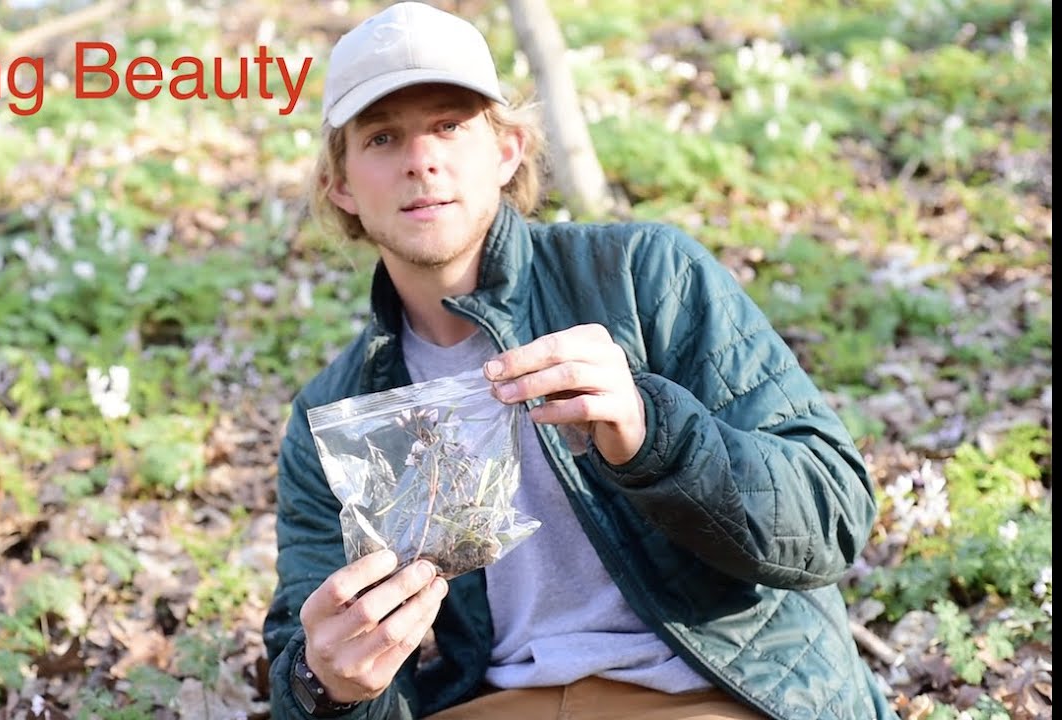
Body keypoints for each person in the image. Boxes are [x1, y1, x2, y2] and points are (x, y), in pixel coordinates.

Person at [263, 3, 898, 718]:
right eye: (382, 138)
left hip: (706, 687)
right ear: (340, 185)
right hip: (501, 703)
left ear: (507, 150)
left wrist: (653, 433)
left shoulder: (644, 277)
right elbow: (306, 656)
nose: (422, 158)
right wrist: (332, 685)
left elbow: (834, 520)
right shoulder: (337, 413)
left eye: (449, 124)